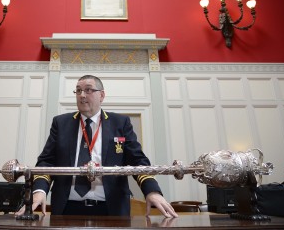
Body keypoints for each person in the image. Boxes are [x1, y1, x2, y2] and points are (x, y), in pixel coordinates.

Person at [17, 75, 177, 217]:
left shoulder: (120, 123)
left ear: (102, 95)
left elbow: (138, 161)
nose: (82, 95)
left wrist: (152, 191)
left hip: (111, 210)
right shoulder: (61, 123)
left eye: (88, 90)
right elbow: (46, 162)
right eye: (78, 91)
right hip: (67, 209)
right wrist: (39, 191)